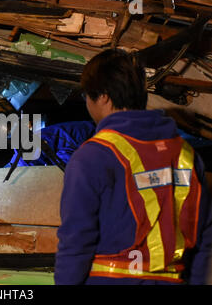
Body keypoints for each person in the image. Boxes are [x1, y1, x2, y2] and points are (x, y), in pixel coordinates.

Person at [54, 48, 212, 285]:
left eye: (87, 96)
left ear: (103, 97)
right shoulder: (186, 155)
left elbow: (76, 241)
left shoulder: (93, 156)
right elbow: (205, 238)